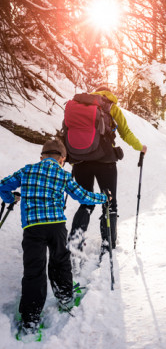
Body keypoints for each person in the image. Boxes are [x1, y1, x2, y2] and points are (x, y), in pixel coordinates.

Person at [0, 139, 108, 336]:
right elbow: (83, 196)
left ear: (41, 157)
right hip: (56, 226)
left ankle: (30, 322)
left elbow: (3, 186)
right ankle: (65, 297)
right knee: (60, 261)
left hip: (33, 228)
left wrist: (11, 198)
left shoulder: (27, 171)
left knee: (34, 271)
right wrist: (103, 197)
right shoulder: (62, 174)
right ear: (63, 160)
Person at [68, 86, 147, 257]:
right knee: (110, 201)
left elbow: (66, 130)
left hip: (81, 160)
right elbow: (126, 133)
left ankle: (75, 240)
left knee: (86, 202)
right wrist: (140, 147)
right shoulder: (111, 107)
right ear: (108, 94)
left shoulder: (78, 105)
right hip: (105, 161)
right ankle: (108, 243)